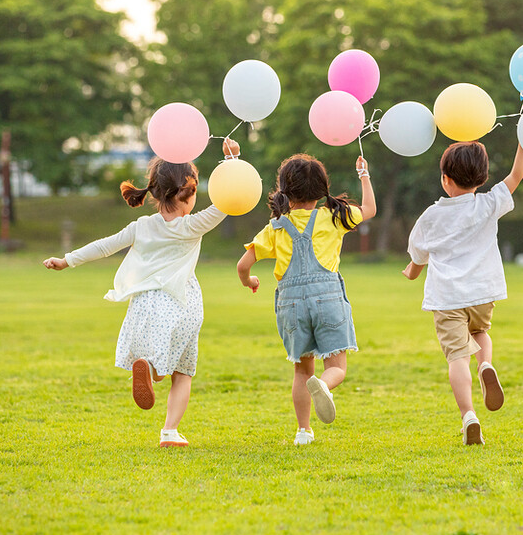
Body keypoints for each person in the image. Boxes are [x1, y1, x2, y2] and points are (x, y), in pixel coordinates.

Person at [43, 139, 240, 448]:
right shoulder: (192, 226)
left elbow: (105, 246)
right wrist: (232, 160)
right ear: (188, 194)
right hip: (181, 301)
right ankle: (169, 431)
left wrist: (67, 260)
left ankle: (148, 368)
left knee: (162, 360)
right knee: (182, 370)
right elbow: (228, 201)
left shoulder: (142, 225)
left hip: (146, 302)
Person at [236, 154, 375, 446]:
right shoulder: (335, 216)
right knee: (336, 367)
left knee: (302, 370)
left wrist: (249, 281)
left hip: (291, 304)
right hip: (328, 300)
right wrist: (363, 174)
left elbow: (242, 265)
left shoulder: (276, 226)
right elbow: (371, 209)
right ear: (322, 187)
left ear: (285, 189)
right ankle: (324, 385)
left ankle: (303, 432)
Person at [402, 141, 523, 446]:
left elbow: (418, 256)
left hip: (447, 298)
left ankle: (469, 415)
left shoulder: (431, 215)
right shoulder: (488, 203)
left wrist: (412, 272)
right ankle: (486, 364)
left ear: (445, 179)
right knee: (481, 332)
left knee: (457, 358)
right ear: (483, 178)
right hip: (483, 293)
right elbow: (516, 175)